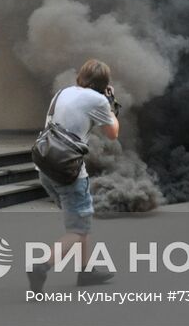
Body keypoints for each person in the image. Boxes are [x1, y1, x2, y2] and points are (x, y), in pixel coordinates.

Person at [28, 58, 120, 293]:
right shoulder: (98, 100)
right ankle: (42, 265)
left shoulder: (63, 92)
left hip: (45, 168)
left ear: (81, 76)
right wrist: (111, 102)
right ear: (104, 83)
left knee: (80, 222)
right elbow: (113, 133)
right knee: (77, 230)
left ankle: (86, 271)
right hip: (69, 173)